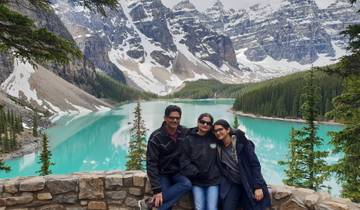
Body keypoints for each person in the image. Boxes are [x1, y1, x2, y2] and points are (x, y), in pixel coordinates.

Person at [139, 105, 192, 210]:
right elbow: (151, 163)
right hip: (162, 174)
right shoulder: (156, 137)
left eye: (177, 118)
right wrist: (157, 190)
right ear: (165, 118)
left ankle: (149, 203)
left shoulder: (184, 132)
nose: (175, 120)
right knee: (166, 204)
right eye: (172, 118)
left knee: (187, 184)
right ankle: (153, 202)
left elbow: (199, 131)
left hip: (177, 172)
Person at [213, 119, 271, 210]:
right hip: (234, 183)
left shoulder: (242, 143)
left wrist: (258, 187)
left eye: (220, 129)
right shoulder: (218, 147)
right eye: (216, 131)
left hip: (248, 180)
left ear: (228, 130)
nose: (218, 132)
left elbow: (255, 164)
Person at [181, 113, 221, 210]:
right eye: (202, 122)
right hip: (197, 181)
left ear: (211, 126)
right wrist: (197, 173)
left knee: (212, 208)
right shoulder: (188, 139)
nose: (205, 125)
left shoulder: (215, 137)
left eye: (208, 123)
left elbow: (227, 134)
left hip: (213, 181)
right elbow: (184, 161)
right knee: (199, 208)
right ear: (198, 123)